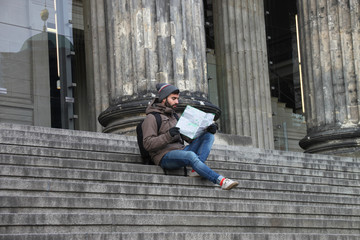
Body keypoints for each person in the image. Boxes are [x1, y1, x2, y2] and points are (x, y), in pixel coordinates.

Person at [142, 83, 239, 190]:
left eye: (177, 99)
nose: (177, 102)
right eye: (173, 99)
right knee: (190, 156)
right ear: (164, 99)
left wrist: (207, 129)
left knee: (209, 136)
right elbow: (148, 144)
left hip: (181, 151)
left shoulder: (174, 116)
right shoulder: (151, 118)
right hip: (164, 156)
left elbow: (189, 138)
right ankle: (221, 181)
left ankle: (196, 169)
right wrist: (168, 135)